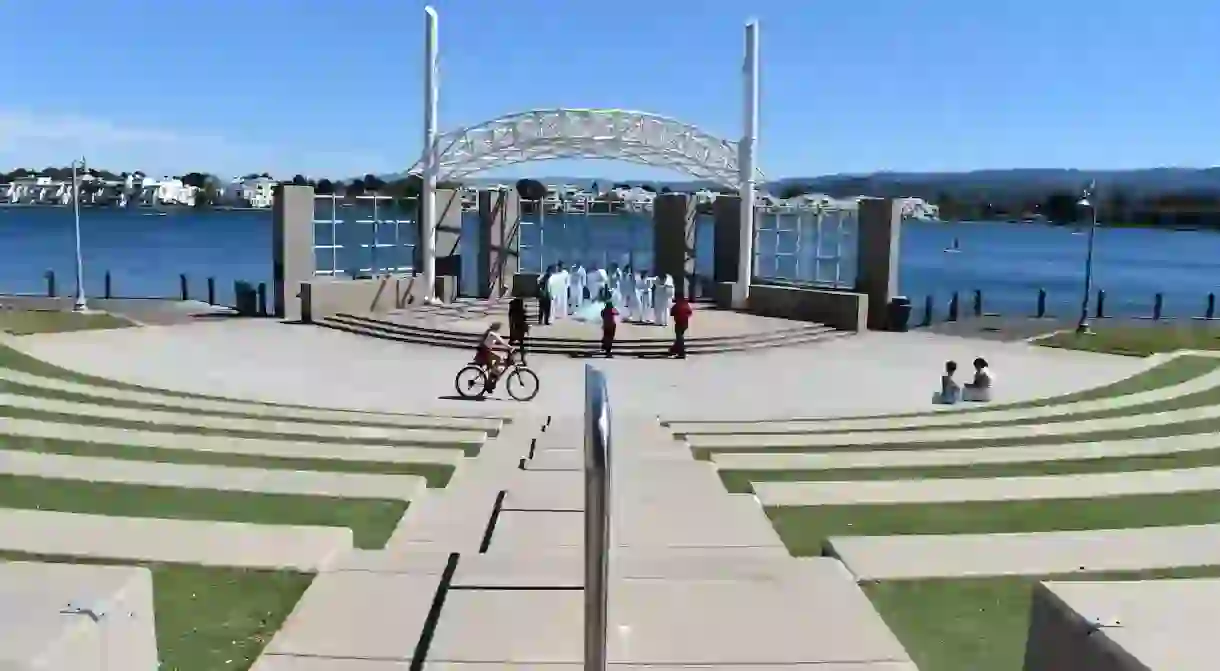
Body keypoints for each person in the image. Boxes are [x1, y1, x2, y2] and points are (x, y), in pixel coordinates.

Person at [475, 321, 512, 391]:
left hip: (485, 351)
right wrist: (510, 347)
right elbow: (502, 342)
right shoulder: (492, 333)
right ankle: (491, 380)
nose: (499, 328)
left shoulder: (491, 332)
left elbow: (500, 341)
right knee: (496, 366)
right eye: (499, 327)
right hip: (485, 353)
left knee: (498, 359)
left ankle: (491, 379)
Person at [508, 298, 529, 362]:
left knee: (511, 343)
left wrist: (511, 328)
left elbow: (511, 321)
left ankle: (509, 357)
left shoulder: (512, 311)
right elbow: (525, 320)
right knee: (521, 344)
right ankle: (522, 358)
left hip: (515, 328)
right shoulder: (521, 311)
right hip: (520, 328)